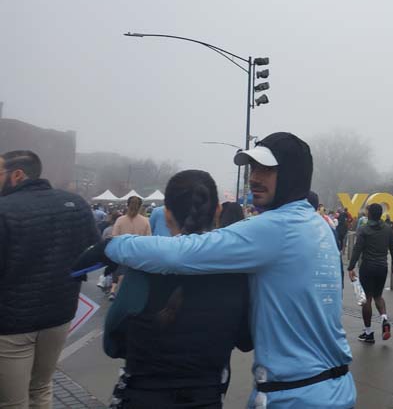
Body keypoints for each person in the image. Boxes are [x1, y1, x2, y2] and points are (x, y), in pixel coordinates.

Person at [84, 132, 356, 408]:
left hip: (296, 395)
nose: (254, 177)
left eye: (266, 169)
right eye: (253, 168)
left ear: (292, 175)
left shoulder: (276, 227)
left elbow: (183, 254)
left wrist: (113, 246)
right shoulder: (318, 225)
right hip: (336, 388)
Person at [103, 170, 252, 408]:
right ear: (217, 211)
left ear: (167, 214)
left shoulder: (142, 271)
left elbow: (112, 344)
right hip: (207, 396)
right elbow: (246, 339)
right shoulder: (237, 275)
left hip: (141, 396)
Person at [0, 151, 99, 409]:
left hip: (11, 325)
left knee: (12, 401)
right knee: (42, 387)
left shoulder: (3, 211)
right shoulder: (76, 204)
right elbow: (95, 255)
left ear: (17, 175)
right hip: (60, 315)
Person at [347, 203, 393, 344]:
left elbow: (357, 250)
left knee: (367, 299)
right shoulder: (388, 229)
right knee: (378, 296)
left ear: (369, 214)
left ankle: (368, 333)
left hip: (368, 267)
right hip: (382, 267)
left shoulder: (364, 230)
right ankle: (384, 319)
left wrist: (351, 267)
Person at [109, 196, 152, 300]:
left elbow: (114, 237)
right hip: (138, 255)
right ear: (140, 207)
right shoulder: (145, 221)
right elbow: (149, 239)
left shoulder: (120, 220)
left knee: (120, 273)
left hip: (122, 253)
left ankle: (115, 291)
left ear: (127, 205)